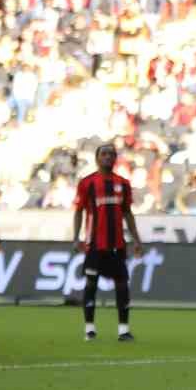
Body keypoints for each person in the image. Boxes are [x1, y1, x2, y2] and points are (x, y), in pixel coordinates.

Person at [72, 143, 146, 343]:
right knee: (91, 285)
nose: (108, 157)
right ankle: (89, 328)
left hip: (117, 245)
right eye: (104, 154)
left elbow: (128, 213)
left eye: (112, 154)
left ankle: (123, 330)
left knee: (122, 285)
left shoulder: (123, 183)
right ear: (97, 158)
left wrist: (137, 240)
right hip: (95, 244)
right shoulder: (87, 182)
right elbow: (78, 211)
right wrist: (76, 237)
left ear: (116, 158)